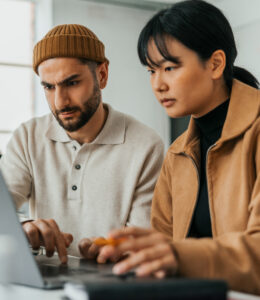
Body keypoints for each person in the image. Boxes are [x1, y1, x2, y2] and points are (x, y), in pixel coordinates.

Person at [98, 0, 260, 295]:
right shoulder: (178, 153)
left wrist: (178, 256)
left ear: (215, 64)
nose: (158, 84)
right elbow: (163, 244)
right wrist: (117, 252)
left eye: (170, 67)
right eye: (151, 71)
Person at [0, 24, 164, 262]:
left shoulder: (146, 146)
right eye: (49, 87)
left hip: (113, 283)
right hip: (44, 282)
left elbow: (143, 241)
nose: (60, 101)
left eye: (72, 83)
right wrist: (23, 226)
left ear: (102, 75)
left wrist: (115, 249)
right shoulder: (26, 137)